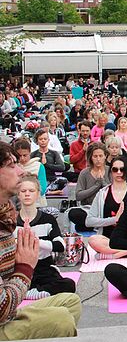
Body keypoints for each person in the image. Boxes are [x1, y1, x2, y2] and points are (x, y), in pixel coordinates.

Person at [0, 142, 82, 339]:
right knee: (61, 319)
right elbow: (2, 308)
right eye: (12, 165)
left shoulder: (9, 216)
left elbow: (58, 245)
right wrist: (24, 269)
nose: (20, 171)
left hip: (15, 296)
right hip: (4, 310)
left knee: (70, 302)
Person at [14, 176, 75, 298]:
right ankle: (35, 293)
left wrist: (35, 241)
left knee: (69, 285)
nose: (27, 194)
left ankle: (30, 294)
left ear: (37, 194)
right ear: (18, 194)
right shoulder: (11, 222)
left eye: (31, 191)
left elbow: (60, 245)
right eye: (23, 191)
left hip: (44, 268)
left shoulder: (48, 219)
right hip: (20, 268)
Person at [86, 157, 127, 259]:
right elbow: (89, 221)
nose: (118, 172)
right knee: (93, 240)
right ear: (111, 171)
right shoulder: (102, 194)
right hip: (108, 240)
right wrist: (113, 220)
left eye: (122, 169)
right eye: (115, 169)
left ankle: (116, 254)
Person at [68, 142, 110, 232]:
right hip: (88, 208)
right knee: (73, 214)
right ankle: (97, 225)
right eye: (95, 156)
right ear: (91, 157)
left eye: (100, 156)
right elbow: (78, 196)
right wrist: (96, 185)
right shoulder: (85, 173)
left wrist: (102, 182)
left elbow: (113, 192)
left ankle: (93, 225)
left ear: (105, 156)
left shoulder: (111, 171)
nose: (98, 159)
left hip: (107, 208)